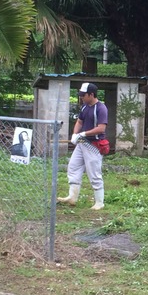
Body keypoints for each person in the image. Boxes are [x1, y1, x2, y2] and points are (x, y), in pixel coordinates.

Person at [58, 82, 108, 210]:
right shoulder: (85, 107)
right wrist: (75, 134)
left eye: (83, 95)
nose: (81, 97)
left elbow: (101, 128)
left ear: (91, 95)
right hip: (81, 144)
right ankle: (72, 197)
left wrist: (84, 133)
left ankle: (99, 202)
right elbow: (79, 121)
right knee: (73, 167)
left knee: (94, 172)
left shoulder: (101, 108)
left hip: (93, 145)